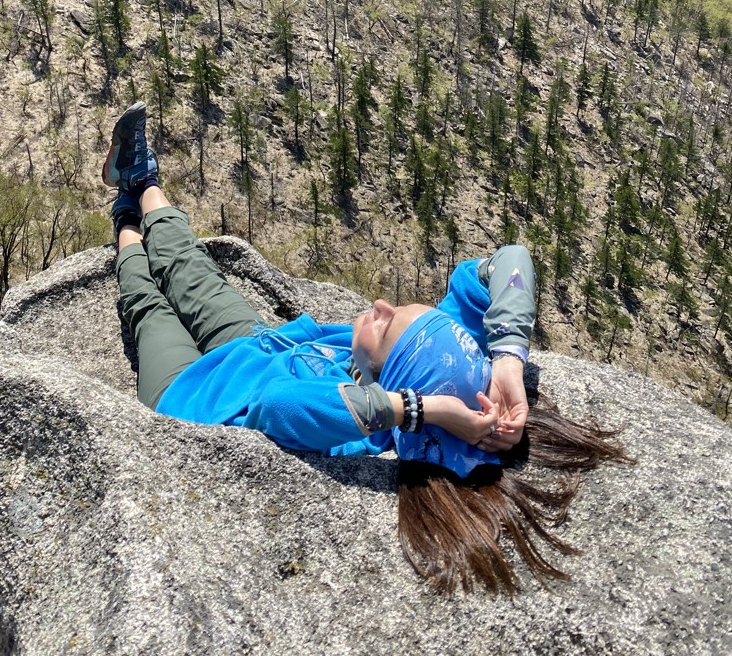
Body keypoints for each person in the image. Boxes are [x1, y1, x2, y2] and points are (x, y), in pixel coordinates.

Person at [105, 101, 627, 593]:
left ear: (389, 380)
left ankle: (126, 216)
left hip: (192, 395)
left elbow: (274, 406)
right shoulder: (442, 353)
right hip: (259, 344)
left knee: (149, 305)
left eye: (386, 324)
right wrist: (509, 357)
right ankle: (144, 179)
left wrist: (421, 411)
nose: (379, 305)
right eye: (398, 309)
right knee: (189, 267)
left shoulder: (366, 434)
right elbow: (510, 259)